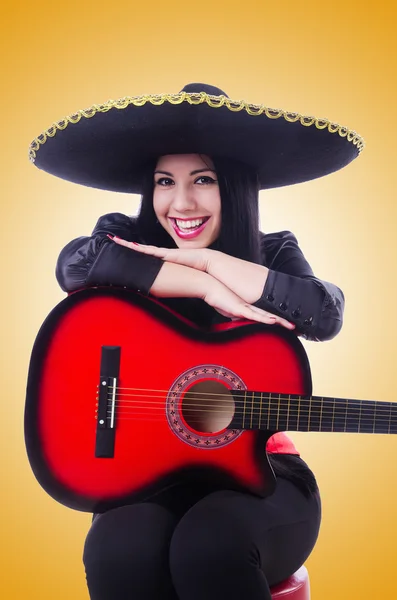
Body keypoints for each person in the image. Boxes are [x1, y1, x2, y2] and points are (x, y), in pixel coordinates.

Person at [30, 82, 363, 600]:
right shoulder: (122, 236)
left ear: (234, 185)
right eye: (165, 181)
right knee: (118, 549)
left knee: (209, 544)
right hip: (141, 472)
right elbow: (75, 262)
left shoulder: (273, 252)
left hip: (264, 476)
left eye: (202, 179)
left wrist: (217, 263)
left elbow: (323, 312)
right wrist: (202, 284)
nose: (180, 202)